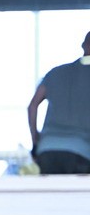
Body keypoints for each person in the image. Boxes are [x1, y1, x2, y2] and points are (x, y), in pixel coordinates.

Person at [27, 31, 90, 175]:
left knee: (51, 196)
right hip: (82, 152)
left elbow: (32, 106)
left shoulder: (55, 72)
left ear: (83, 46)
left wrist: (36, 141)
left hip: (47, 149)